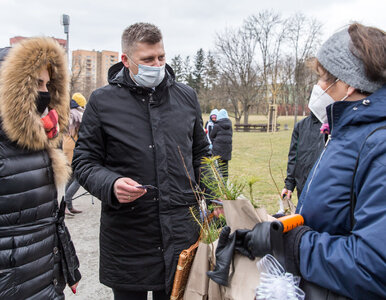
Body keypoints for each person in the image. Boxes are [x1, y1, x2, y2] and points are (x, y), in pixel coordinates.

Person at [214, 23, 386, 299]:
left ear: (348, 83)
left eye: (323, 78)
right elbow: (334, 216)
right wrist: (275, 229)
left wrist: (292, 245)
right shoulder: (348, 132)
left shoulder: (378, 145)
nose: (318, 87)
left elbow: (374, 266)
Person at [72, 23, 210, 300]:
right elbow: (83, 161)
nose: (157, 65)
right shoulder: (102, 101)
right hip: (127, 234)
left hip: (179, 229)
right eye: (148, 59)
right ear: (126, 60)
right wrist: (110, 184)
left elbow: (202, 153)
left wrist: (216, 200)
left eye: (161, 57)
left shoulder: (186, 96)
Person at [0, 37, 81, 299]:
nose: (45, 92)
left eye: (48, 84)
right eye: (36, 84)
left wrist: (65, 267)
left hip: (45, 280)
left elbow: (49, 221)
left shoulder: (42, 139)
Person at [281, 111, 325, 200]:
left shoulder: (334, 125)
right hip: (303, 184)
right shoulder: (301, 126)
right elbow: (293, 156)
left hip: (325, 186)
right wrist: (289, 184)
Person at [62, 92, 87, 215]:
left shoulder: (68, 113)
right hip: (74, 147)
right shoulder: (78, 114)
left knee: (71, 176)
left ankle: (69, 205)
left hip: (66, 145)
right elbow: (84, 132)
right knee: (79, 177)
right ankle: (65, 203)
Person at [210, 108, 233, 179]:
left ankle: (219, 183)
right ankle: (225, 183)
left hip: (218, 149)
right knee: (225, 168)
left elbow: (211, 135)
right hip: (227, 149)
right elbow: (231, 135)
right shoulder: (230, 126)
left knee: (218, 167)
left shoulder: (217, 125)